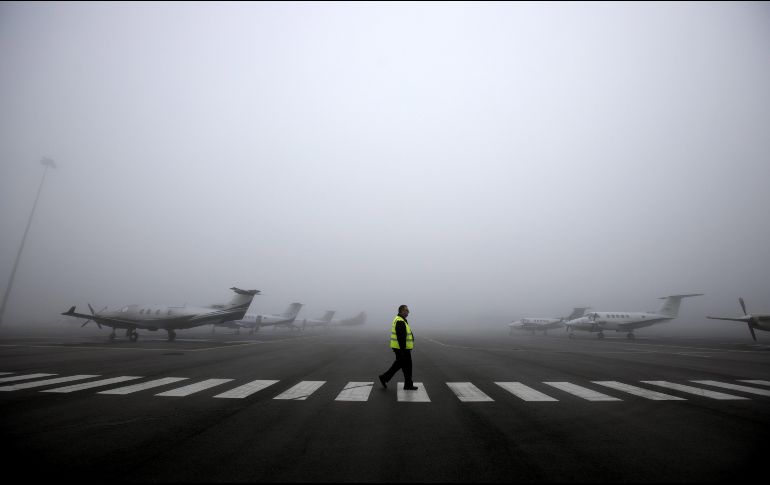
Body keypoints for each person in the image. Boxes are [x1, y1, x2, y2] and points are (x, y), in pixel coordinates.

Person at [378, 304, 418, 390]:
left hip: (401, 349)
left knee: (402, 365)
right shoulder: (400, 321)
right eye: (406, 310)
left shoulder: (401, 320)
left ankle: (386, 378)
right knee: (406, 366)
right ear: (401, 311)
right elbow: (401, 337)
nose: (408, 312)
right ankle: (385, 378)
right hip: (402, 349)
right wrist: (403, 350)